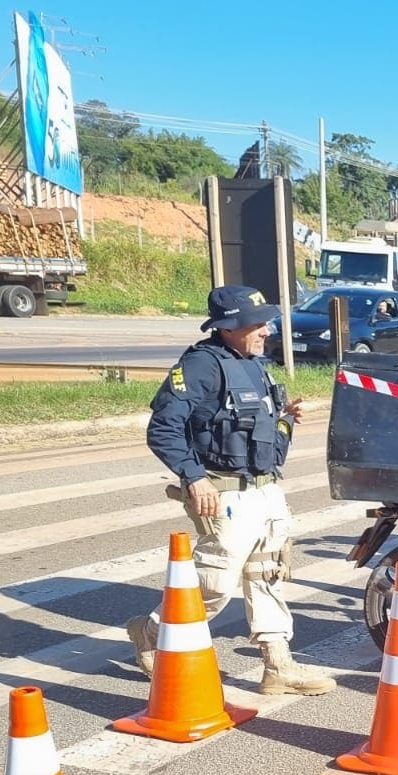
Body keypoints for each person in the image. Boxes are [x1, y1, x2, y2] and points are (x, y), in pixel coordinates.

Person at [128, 285, 335, 696]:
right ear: (228, 327)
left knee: (268, 572)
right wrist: (193, 476)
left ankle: (278, 667)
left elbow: (259, 435)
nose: (266, 330)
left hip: (264, 489)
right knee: (214, 584)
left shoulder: (256, 365)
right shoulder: (201, 366)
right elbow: (163, 428)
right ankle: (150, 634)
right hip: (224, 493)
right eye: (256, 324)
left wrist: (286, 420)